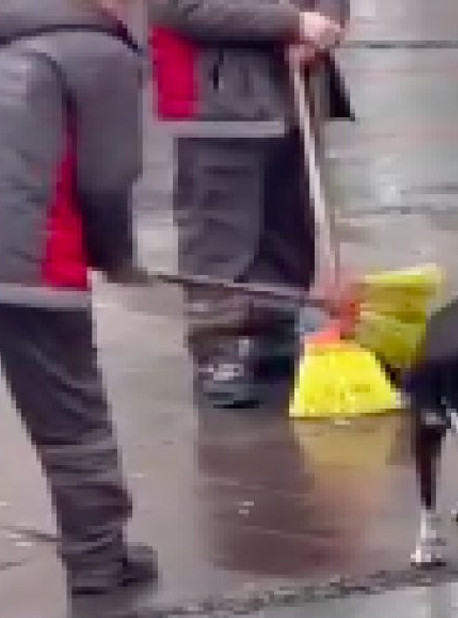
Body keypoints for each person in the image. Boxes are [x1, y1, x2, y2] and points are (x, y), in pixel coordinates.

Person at [0, 0, 158, 618]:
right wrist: (115, 256)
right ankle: (99, 559)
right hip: (28, 257)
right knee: (70, 415)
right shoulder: (99, 52)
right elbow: (108, 178)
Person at [148, 0, 353, 408]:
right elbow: (181, 8)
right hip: (216, 100)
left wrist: (325, 26)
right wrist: (291, 22)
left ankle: (273, 325)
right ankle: (219, 349)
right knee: (219, 233)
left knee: (288, 224)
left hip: (295, 92)